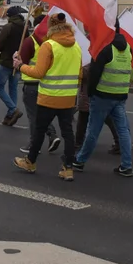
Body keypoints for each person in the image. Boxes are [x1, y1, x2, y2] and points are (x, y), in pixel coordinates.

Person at [13, 13, 82, 180]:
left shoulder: (49, 45)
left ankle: (30, 161)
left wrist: (20, 65)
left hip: (49, 97)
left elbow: (38, 72)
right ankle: (68, 168)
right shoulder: (76, 46)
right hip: (69, 97)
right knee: (67, 133)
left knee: (39, 130)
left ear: (50, 27)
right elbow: (80, 74)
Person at [74, 25, 132, 177]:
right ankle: (126, 166)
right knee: (123, 131)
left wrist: (91, 93)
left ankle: (80, 161)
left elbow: (94, 74)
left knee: (93, 130)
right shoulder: (128, 48)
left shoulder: (104, 49)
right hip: (120, 95)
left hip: (102, 96)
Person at [17, 15, 60, 154]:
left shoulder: (30, 41)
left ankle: (34, 145)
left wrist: (17, 59)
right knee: (41, 114)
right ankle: (52, 135)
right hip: (46, 84)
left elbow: (22, 60)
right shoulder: (52, 42)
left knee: (33, 116)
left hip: (31, 83)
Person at [74, 65, 120, 156]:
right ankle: (119, 142)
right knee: (109, 119)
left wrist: (80, 67)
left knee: (83, 121)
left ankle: (78, 143)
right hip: (101, 96)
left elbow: (83, 75)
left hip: (89, 97)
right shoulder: (105, 62)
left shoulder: (90, 65)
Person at [0, 5, 26, 126]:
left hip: (6, 61)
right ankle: (9, 115)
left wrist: (3, 49)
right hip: (18, 62)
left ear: (10, 17)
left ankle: (13, 109)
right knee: (13, 89)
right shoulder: (25, 28)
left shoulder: (8, 27)